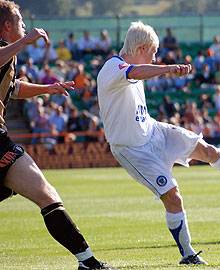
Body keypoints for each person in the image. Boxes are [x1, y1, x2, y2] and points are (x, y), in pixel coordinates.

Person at [97, 21, 220, 266]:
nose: (155, 56)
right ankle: (188, 254)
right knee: (173, 197)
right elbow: (134, 72)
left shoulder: (129, 68)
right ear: (141, 47)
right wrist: (168, 68)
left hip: (153, 131)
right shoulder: (112, 67)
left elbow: (137, 74)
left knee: (209, 150)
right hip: (132, 149)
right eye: (153, 51)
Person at [0, 1, 115, 269]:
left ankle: (87, 262)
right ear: (7, 26)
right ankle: (88, 262)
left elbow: (13, 88)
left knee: (47, 195)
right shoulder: (8, 50)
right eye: (20, 22)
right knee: (47, 195)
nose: (25, 26)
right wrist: (26, 41)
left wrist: (48, 89)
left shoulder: (10, 55)